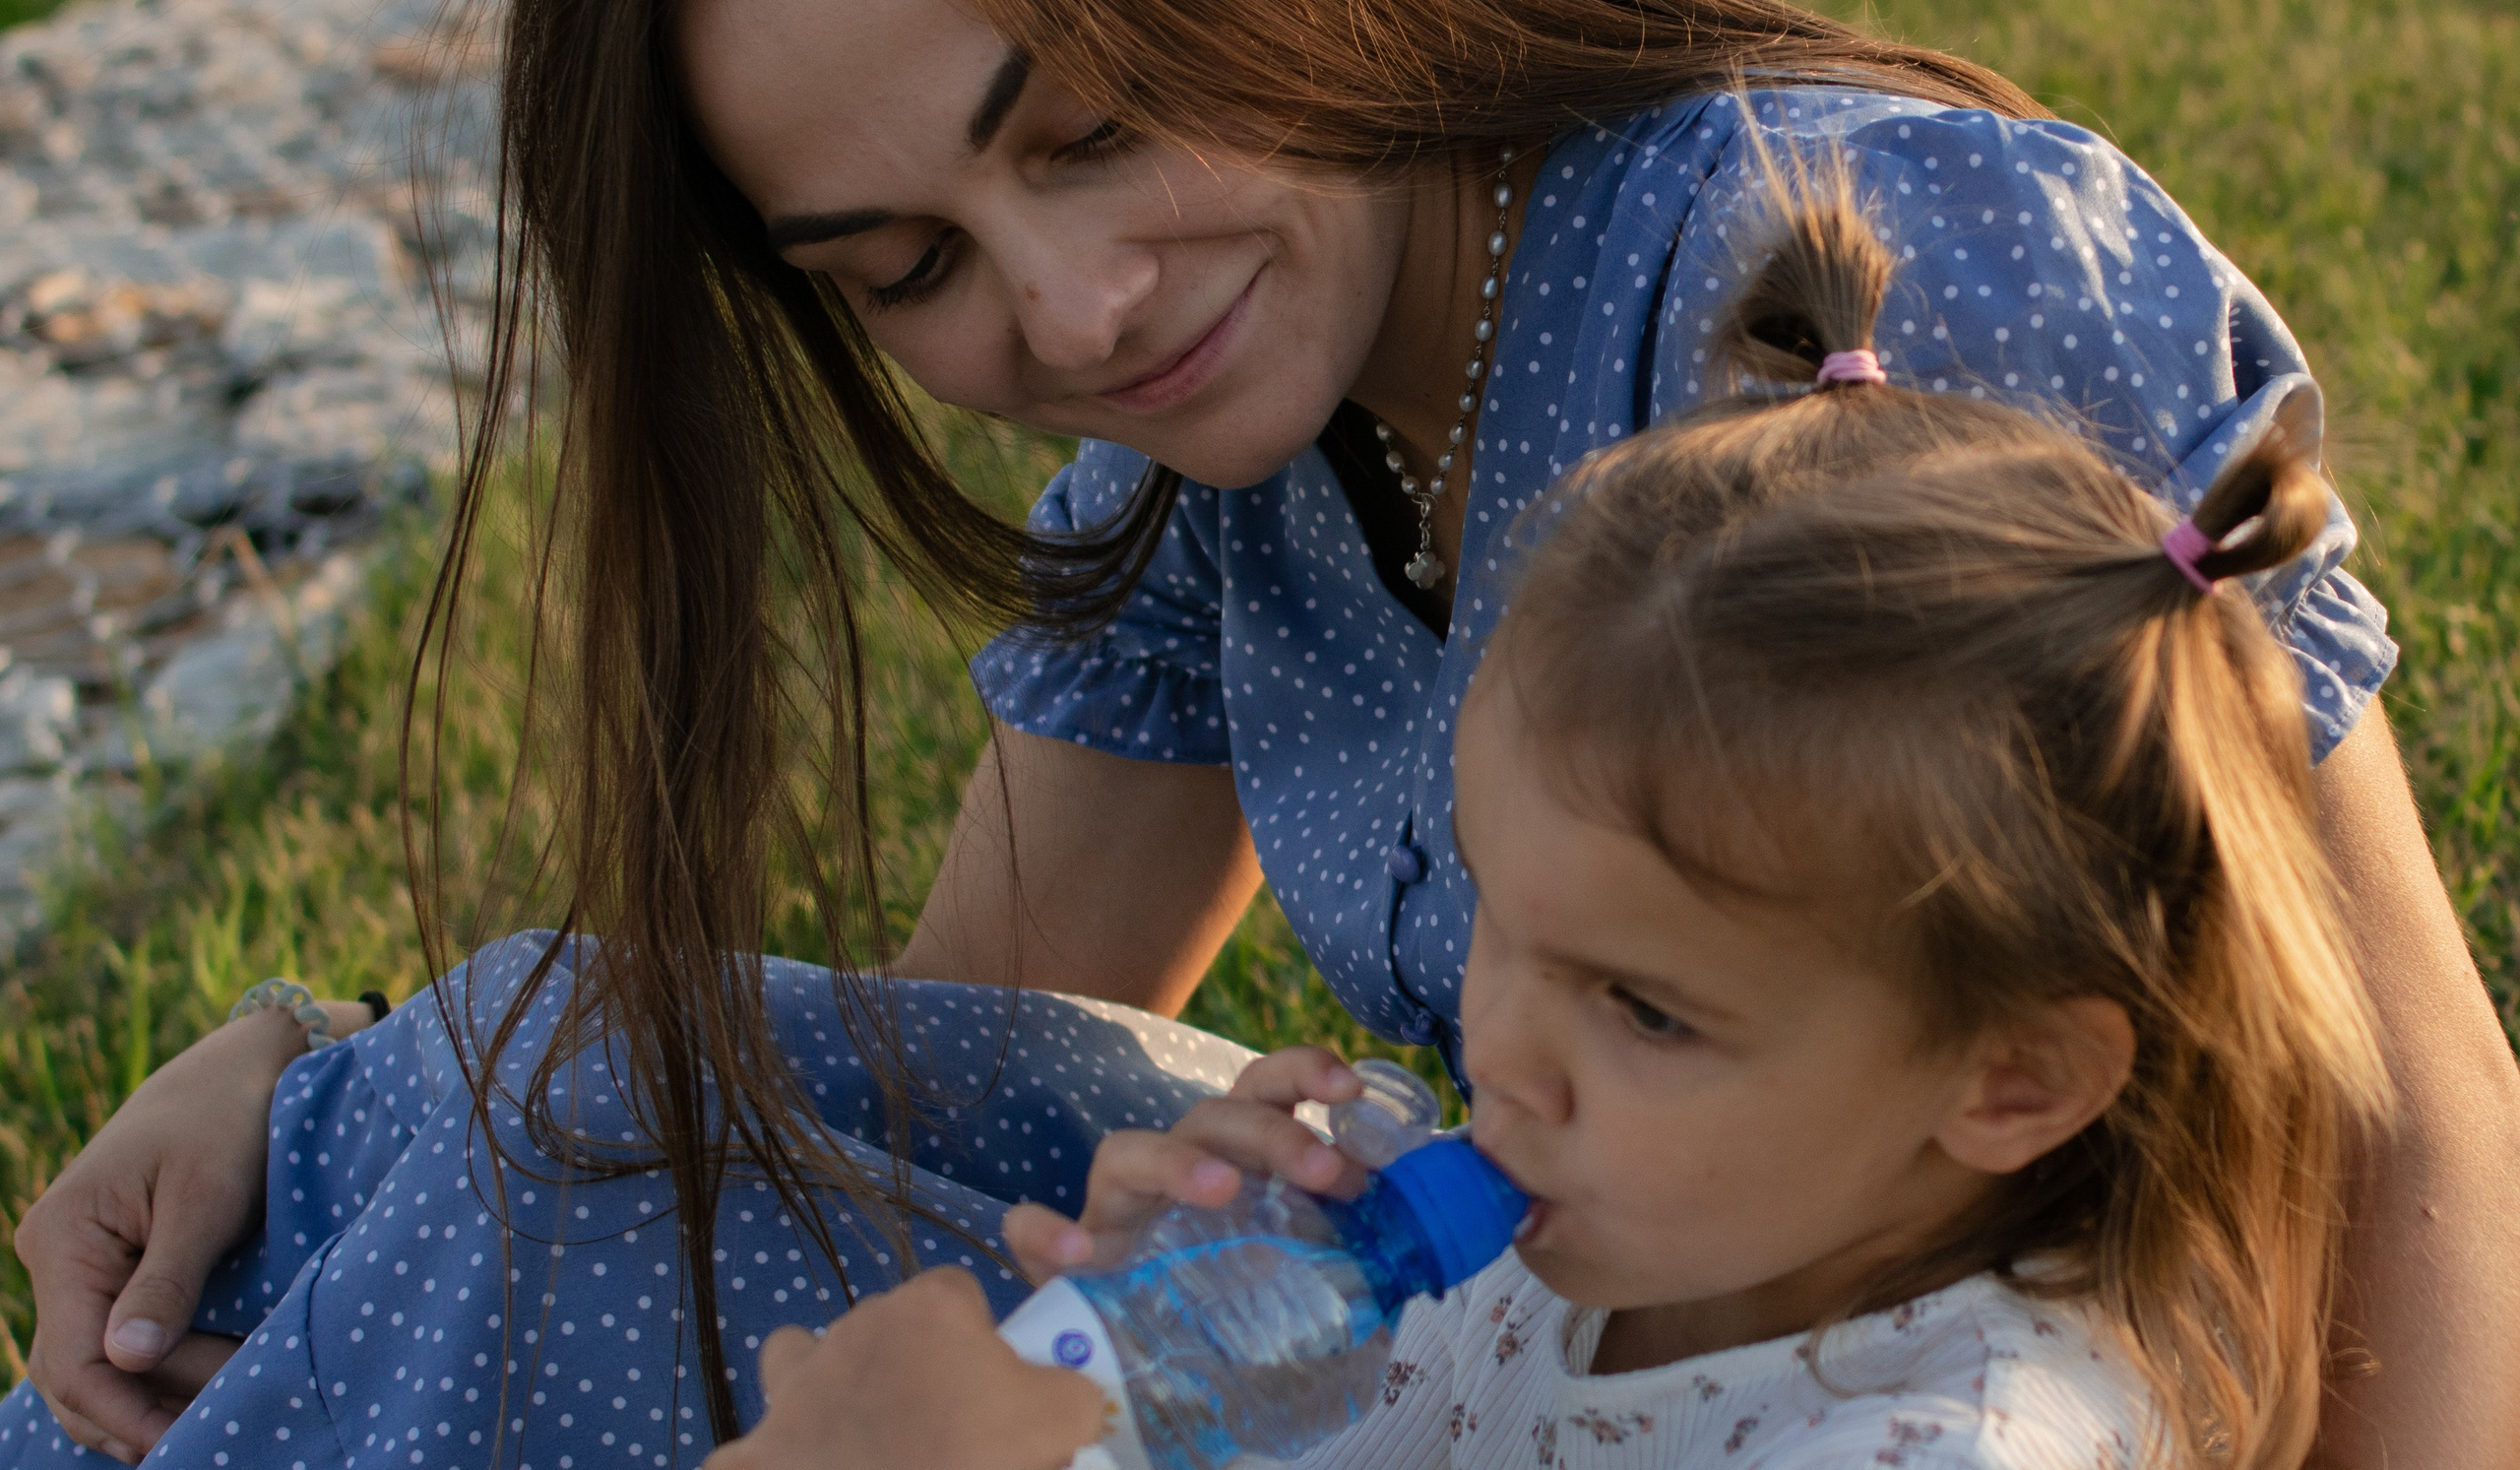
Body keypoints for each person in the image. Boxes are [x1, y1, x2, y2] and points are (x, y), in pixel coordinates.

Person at [9, 0, 2515, 1461]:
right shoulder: (1210, 440)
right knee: (521, 1108)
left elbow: (2394, 1101)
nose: (1073, 307)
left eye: (1093, 124)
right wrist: (324, 1082)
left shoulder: (1838, 272)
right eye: (906, 269)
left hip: (1831, 1359)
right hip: (1547, 1329)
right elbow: (934, 1048)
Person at [720, 183, 2399, 1469]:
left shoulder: (1949, 1442)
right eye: (1501, 925)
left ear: (2013, 1078)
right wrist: (1160, 1371)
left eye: (1645, 1009)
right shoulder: (1628, 1233)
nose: (1505, 1059)